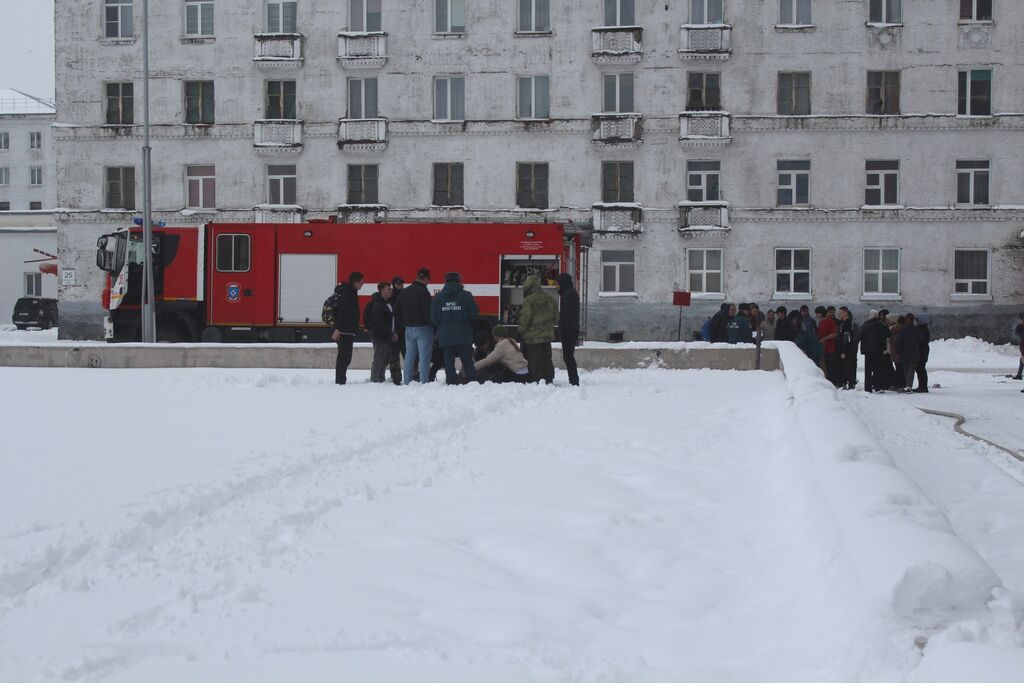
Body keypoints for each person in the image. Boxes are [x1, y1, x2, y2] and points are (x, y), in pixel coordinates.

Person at [430, 271, 479, 385]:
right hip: (463, 334)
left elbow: (433, 316)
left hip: (446, 335)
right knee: (467, 360)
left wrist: (442, 326)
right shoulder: (466, 295)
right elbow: (474, 314)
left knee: (448, 361)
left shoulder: (438, 297)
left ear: (445, 281)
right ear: (459, 281)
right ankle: (472, 381)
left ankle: (451, 381)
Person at [395, 267, 433, 385]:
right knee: (424, 358)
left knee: (409, 357)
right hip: (423, 328)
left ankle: (407, 381)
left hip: (408, 329)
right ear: (425, 278)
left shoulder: (405, 291)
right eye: (428, 280)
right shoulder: (424, 292)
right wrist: (432, 325)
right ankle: (424, 382)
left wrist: (404, 323)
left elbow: (396, 311)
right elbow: (427, 312)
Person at [519, 275, 557, 384]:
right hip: (547, 336)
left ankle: (536, 379)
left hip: (532, 338)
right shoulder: (550, 299)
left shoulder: (528, 301)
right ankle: (549, 378)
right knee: (547, 359)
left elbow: (525, 319)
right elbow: (555, 317)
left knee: (535, 360)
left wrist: (521, 330)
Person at [330, 271, 363, 385]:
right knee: (344, 357)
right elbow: (343, 312)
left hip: (347, 330)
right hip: (345, 331)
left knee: (344, 357)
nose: (362, 284)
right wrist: (338, 329)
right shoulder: (348, 294)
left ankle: (341, 379)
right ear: (356, 282)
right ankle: (340, 381)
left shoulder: (350, 292)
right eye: (361, 282)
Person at [365, 282, 399, 384]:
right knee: (379, 359)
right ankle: (374, 380)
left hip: (387, 336)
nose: (391, 290)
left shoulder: (388, 303)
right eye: (388, 289)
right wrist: (391, 334)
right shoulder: (378, 304)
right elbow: (380, 323)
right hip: (380, 336)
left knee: (385, 360)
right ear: (382, 290)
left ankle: (381, 379)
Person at [556, 273, 581, 386]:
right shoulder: (569, 293)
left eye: (558, 283)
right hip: (570, 329)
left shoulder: (569, 294)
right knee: (568, 356)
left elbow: (567, 315)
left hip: (569, 330)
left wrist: (562, 328)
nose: (557, 286)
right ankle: (573, 379)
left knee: (568, 356)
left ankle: (574, 381)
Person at [859, 309, 890, 393]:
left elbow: (860, 335)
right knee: (878, 369)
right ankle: (878, 386)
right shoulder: (882, 325)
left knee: (868, 369)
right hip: (879, 350)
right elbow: (887, 335)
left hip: (868, 350)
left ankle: (868, 387)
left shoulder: (866, 325)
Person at [893, 313, 921, 393]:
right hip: (914, 352)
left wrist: (898, 351)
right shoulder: (917, 329)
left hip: (905, 353)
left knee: (906, 370)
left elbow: (899, 342)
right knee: (911, 370)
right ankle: (909, 385)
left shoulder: (903, 330)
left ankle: (908, 385)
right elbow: (920, 340)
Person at [816, 305, 841, 387]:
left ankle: (834, 382)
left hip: (830, 347)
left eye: (818, 313)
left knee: (831, 366)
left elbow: (834, 333)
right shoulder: (820, 322)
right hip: (822, 347)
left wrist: (824, 339)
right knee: (824, 366)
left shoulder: (829, 321)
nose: (816, 315)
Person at [837, 306, 859, 390]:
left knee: (847, 366)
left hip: (848, 350)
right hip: (852, 349)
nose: (839, 315)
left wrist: (842, 351)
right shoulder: (851, 324)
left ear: (845, 313)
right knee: (851, 366)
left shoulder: (847, 325)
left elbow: (846, 339)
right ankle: (851, 382)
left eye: (840, 313)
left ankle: (847, 383)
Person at [390, 276, 406, 380]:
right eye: (399, 284)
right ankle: (410, 375)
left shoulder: (391, 297)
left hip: (397, 329)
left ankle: (396, 376)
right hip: (400, 329)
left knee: (395, 356)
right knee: (406, 354)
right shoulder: (404, 295)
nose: (401, 285)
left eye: (401, 283)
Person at [914, 313, 931, 393]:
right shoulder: (923, 329)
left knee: (920, 369)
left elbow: (920, 340)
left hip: (921, 351)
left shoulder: (921, 329)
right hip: (923, 350)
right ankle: (922, 386)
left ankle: (923, 386)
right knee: (920, 369)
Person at [1012, 313, 1024, 381]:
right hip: (1023, 347)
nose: (1021, 321)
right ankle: (1019, 375)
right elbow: (1017, 332)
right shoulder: (1021, 327)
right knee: (1021, 361)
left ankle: (1019, 375)